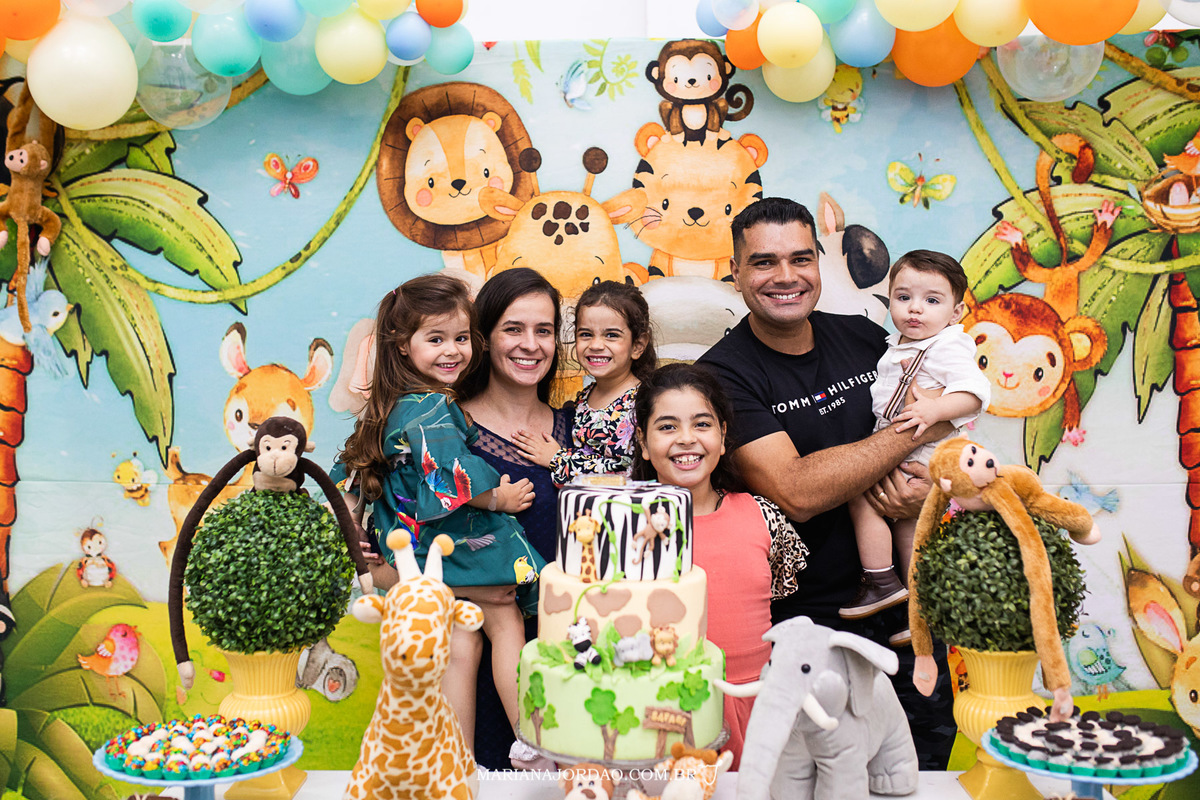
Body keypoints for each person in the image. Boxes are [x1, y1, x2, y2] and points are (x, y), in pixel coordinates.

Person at [696, 197, 958, 767]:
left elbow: (948, 429)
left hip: (908, 610)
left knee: (920, 764)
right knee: (821, 775)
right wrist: (925, 424)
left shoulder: (865, 338)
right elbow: (797, 491)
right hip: (809, 626)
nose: (786, 276)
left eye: (800, 258)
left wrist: (927, 487)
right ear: (735, 271)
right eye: (763, 262)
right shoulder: (721, 375)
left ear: (818, 261)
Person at [331, 274, 546, 767]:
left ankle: (456, 759)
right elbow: (450, 473)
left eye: (461, 338)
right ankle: (530, 736)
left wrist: (351, 530)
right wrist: (499, 499)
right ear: (401, 345)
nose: (453, 351)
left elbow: (345, 478)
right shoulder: (432, 405)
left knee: (457, 639)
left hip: (411, 551)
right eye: (436, 339)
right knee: (506, 616)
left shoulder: (384, 408)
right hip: (443, 547)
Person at [631, 362, 808, 770]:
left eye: (702, 424)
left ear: (723, 436)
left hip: (758, 711)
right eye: (667, 427)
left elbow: (777, 594)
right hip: (660, 713)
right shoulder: (624, 528)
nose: (686, 439)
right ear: (643, 442)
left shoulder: (762, 515)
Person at [457, 267, 573, 770]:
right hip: (476, 666)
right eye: (513, 328)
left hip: (572, 663)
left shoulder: (578, 430)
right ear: (483, 337)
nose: (531, 344)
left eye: (543, 330)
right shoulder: (448, 431)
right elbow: (395, 559)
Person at [840, 250, 990, 639]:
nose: (915, 309)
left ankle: (880, 580)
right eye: (903, 297)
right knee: (910, 526)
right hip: (905, 446)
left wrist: (935, 410)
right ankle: (918, 608)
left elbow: (975, 393)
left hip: (921, 450)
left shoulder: (947, 346)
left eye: (932, 300)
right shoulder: (900, 344)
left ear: (956, 313)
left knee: (857, 492)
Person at [513, 280, 655, 484]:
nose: (596, 345)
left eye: (611, 335)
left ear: (638, 346)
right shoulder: (585, 396)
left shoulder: (641, 402)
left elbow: (624, 471)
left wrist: (557, 458)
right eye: (586, 334)